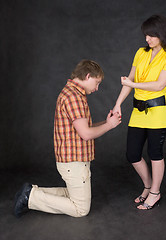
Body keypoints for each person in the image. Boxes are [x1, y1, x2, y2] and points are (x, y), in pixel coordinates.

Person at [14, 59, 121, 218]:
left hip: (73, 160)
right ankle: (31, 197)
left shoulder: (73, 93)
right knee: (80, 209)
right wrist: (110, 126)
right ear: (87, 76)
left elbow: (83, 127)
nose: (97, 88)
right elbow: (85, 134)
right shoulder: (74, 97)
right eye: (97, 83)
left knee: (74, 195)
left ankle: (30, 191)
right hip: (74, 161)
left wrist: (106, 121)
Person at [113, 15, 166, 210]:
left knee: (154, 153)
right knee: (132, 154)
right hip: (138, 112)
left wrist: (131, 83)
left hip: (158, 112)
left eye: (151, 35)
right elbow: (130, 79)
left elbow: (159, 85)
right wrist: (117, 104)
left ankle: (155, 193)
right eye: (146, 35)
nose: (147, 39)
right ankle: (148, 186)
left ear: (162, 34)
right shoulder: (140, 53)